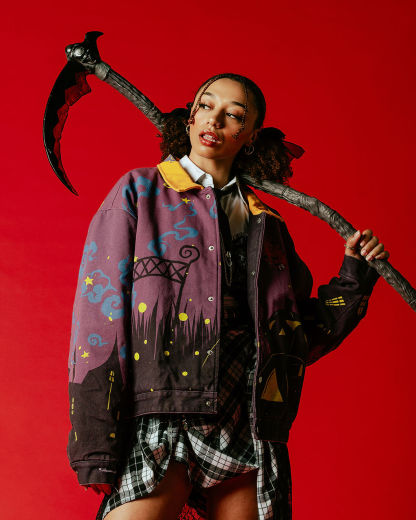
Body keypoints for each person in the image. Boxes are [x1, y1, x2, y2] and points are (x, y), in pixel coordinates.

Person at [67, 73, 389, 520]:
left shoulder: (265, 222)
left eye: (234, 115)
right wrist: (94, 442)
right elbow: (99, 317)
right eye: (206, 105)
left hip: (248, 421)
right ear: (190, 115)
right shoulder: (140, 191)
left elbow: (297, 336)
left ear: (251, 135)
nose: (214, 120)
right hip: (164, 415)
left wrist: (355, 274)